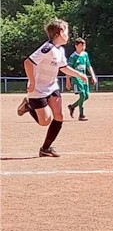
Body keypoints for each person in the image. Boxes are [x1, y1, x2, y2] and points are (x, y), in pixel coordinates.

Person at [15, 19, 89, 157]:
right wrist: (32, 81)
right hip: (38, 89)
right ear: (60, 32)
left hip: (52, 86)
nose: (68, 35)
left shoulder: (60, 50)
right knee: (45, 122)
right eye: (66, 32)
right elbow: (28, 62)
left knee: (59, 116)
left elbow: (63, 67)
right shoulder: (47, 48)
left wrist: (79, 75)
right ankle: (28, 106)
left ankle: (46, 148)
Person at [65, 37, 98, 121]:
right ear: (76, 46)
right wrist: (68, 81)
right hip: (76, 78)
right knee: (82, 94)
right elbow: (68, 69)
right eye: (81, 46)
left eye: (84, 46)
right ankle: (81, 115)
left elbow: (88, 66)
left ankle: (72, 106)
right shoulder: (73, 57)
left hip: (84, 78)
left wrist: (93, 76)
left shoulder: (85, 55)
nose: (83, 47)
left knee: (86, 96)